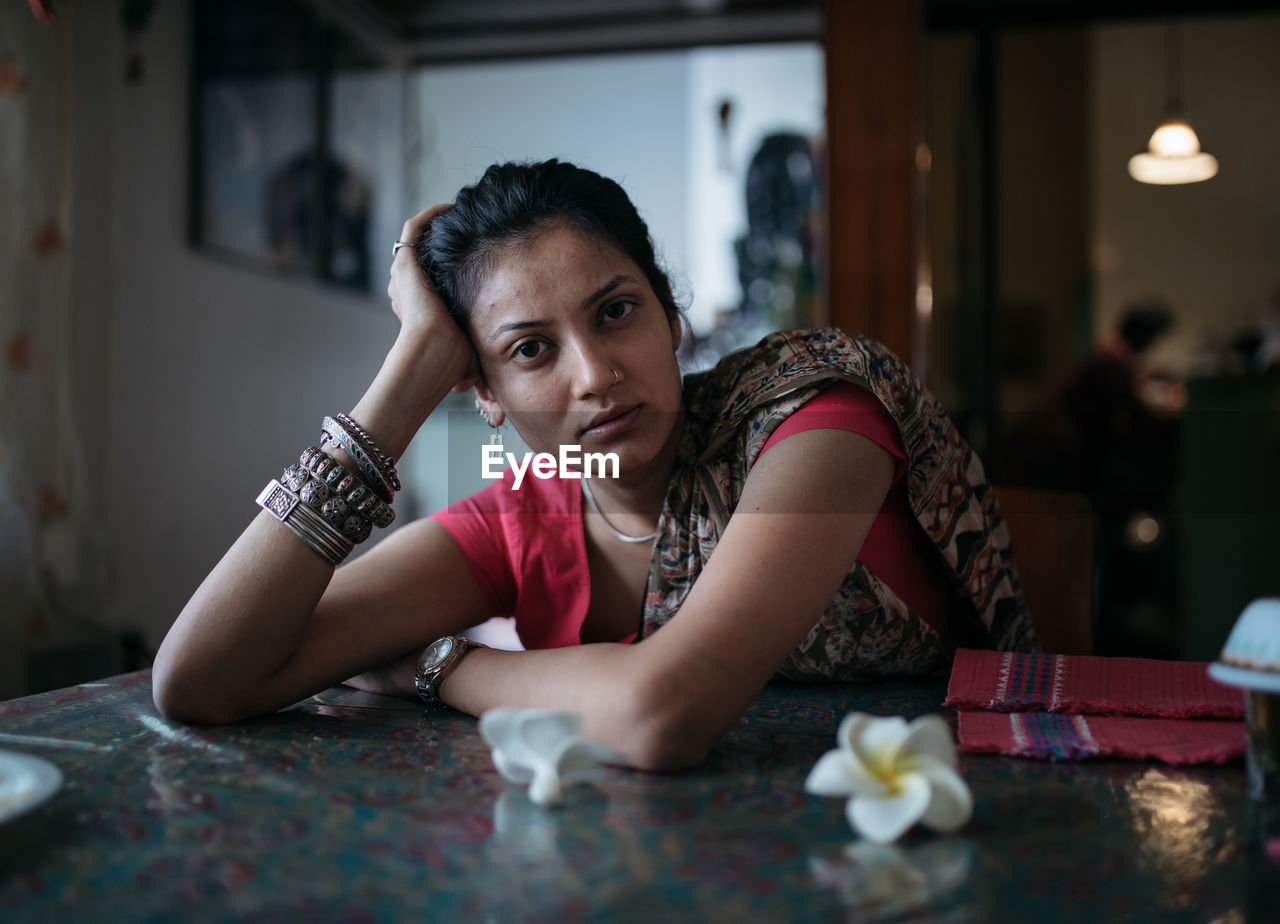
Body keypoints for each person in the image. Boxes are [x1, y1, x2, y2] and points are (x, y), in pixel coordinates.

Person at [153, 160, 1034, 770]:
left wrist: (435, 668)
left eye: (616, 312)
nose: (596, 375)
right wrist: (412, 369)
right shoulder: (524, 518)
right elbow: (201, 680)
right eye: (530, 350)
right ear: (483, 390)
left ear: (669, 317)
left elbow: (663, 715)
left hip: (957, 819)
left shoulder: (810, 421)